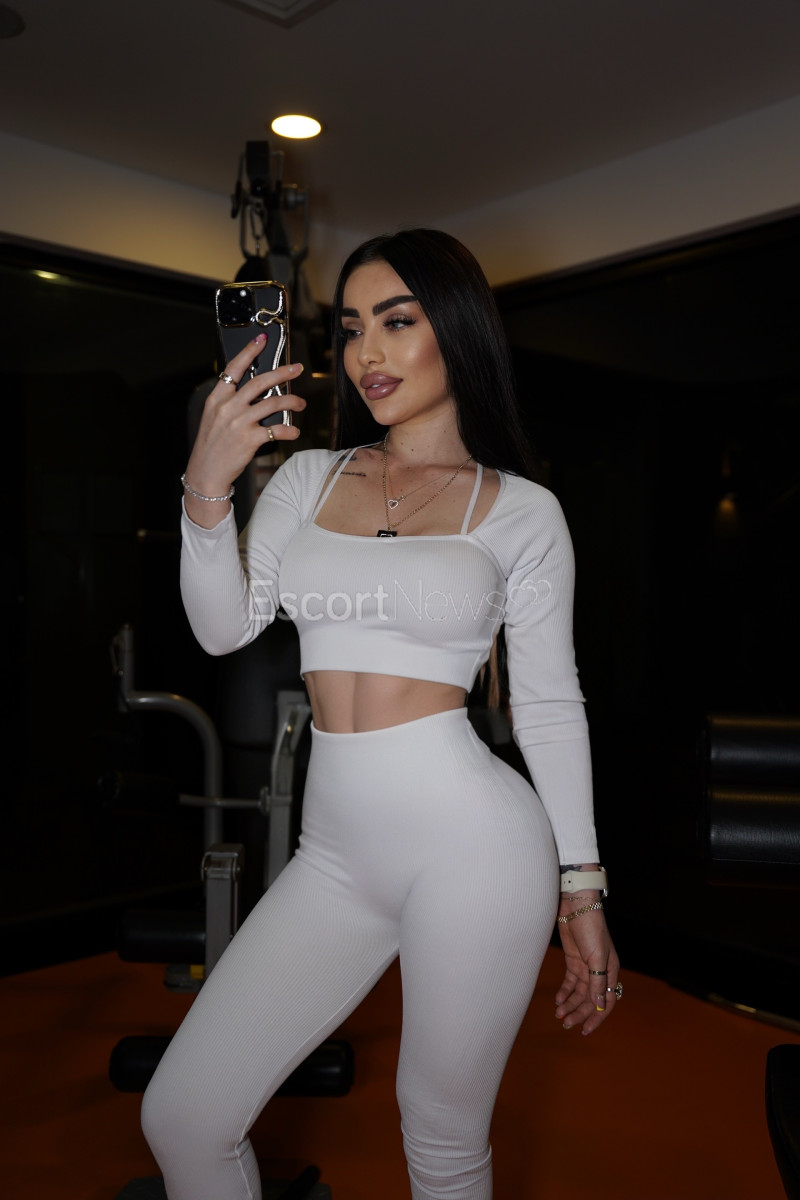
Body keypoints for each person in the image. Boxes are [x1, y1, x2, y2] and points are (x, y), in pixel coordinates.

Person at [141, 228, 621, 1200]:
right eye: (353, 327)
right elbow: (223, 629)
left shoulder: (523, 511)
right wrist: (207, 485)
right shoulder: (309, 478)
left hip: (475, 852)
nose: (368, 352)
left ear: (456, 330)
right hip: (334, 855)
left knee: (439, 1139)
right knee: (183, 1116)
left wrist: (582, 888)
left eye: (397, 322)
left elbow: (548, 702)